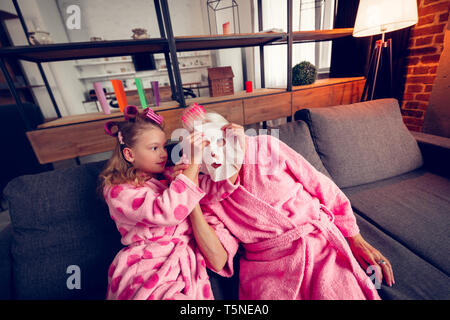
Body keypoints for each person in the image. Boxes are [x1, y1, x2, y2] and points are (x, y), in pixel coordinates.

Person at [181, 103, 395, 300]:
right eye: (202, 149)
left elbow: (321, 185)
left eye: (218, 140)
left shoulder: (264, 147)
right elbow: (217, 259)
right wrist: (189, 194)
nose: (215, 154)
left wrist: (355, 239)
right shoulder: (208, 195)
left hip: (319, 246)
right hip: (269, 269)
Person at [98, 105, 239, 300]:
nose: (164, 154)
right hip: (146, 266)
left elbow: (208, 192)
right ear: (130, 154)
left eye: (164, 147)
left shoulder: (166, 177)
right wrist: (193, 165)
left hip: (184, 264)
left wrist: (235, 157)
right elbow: (168, 211)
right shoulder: (118, 191)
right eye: (154, 148)